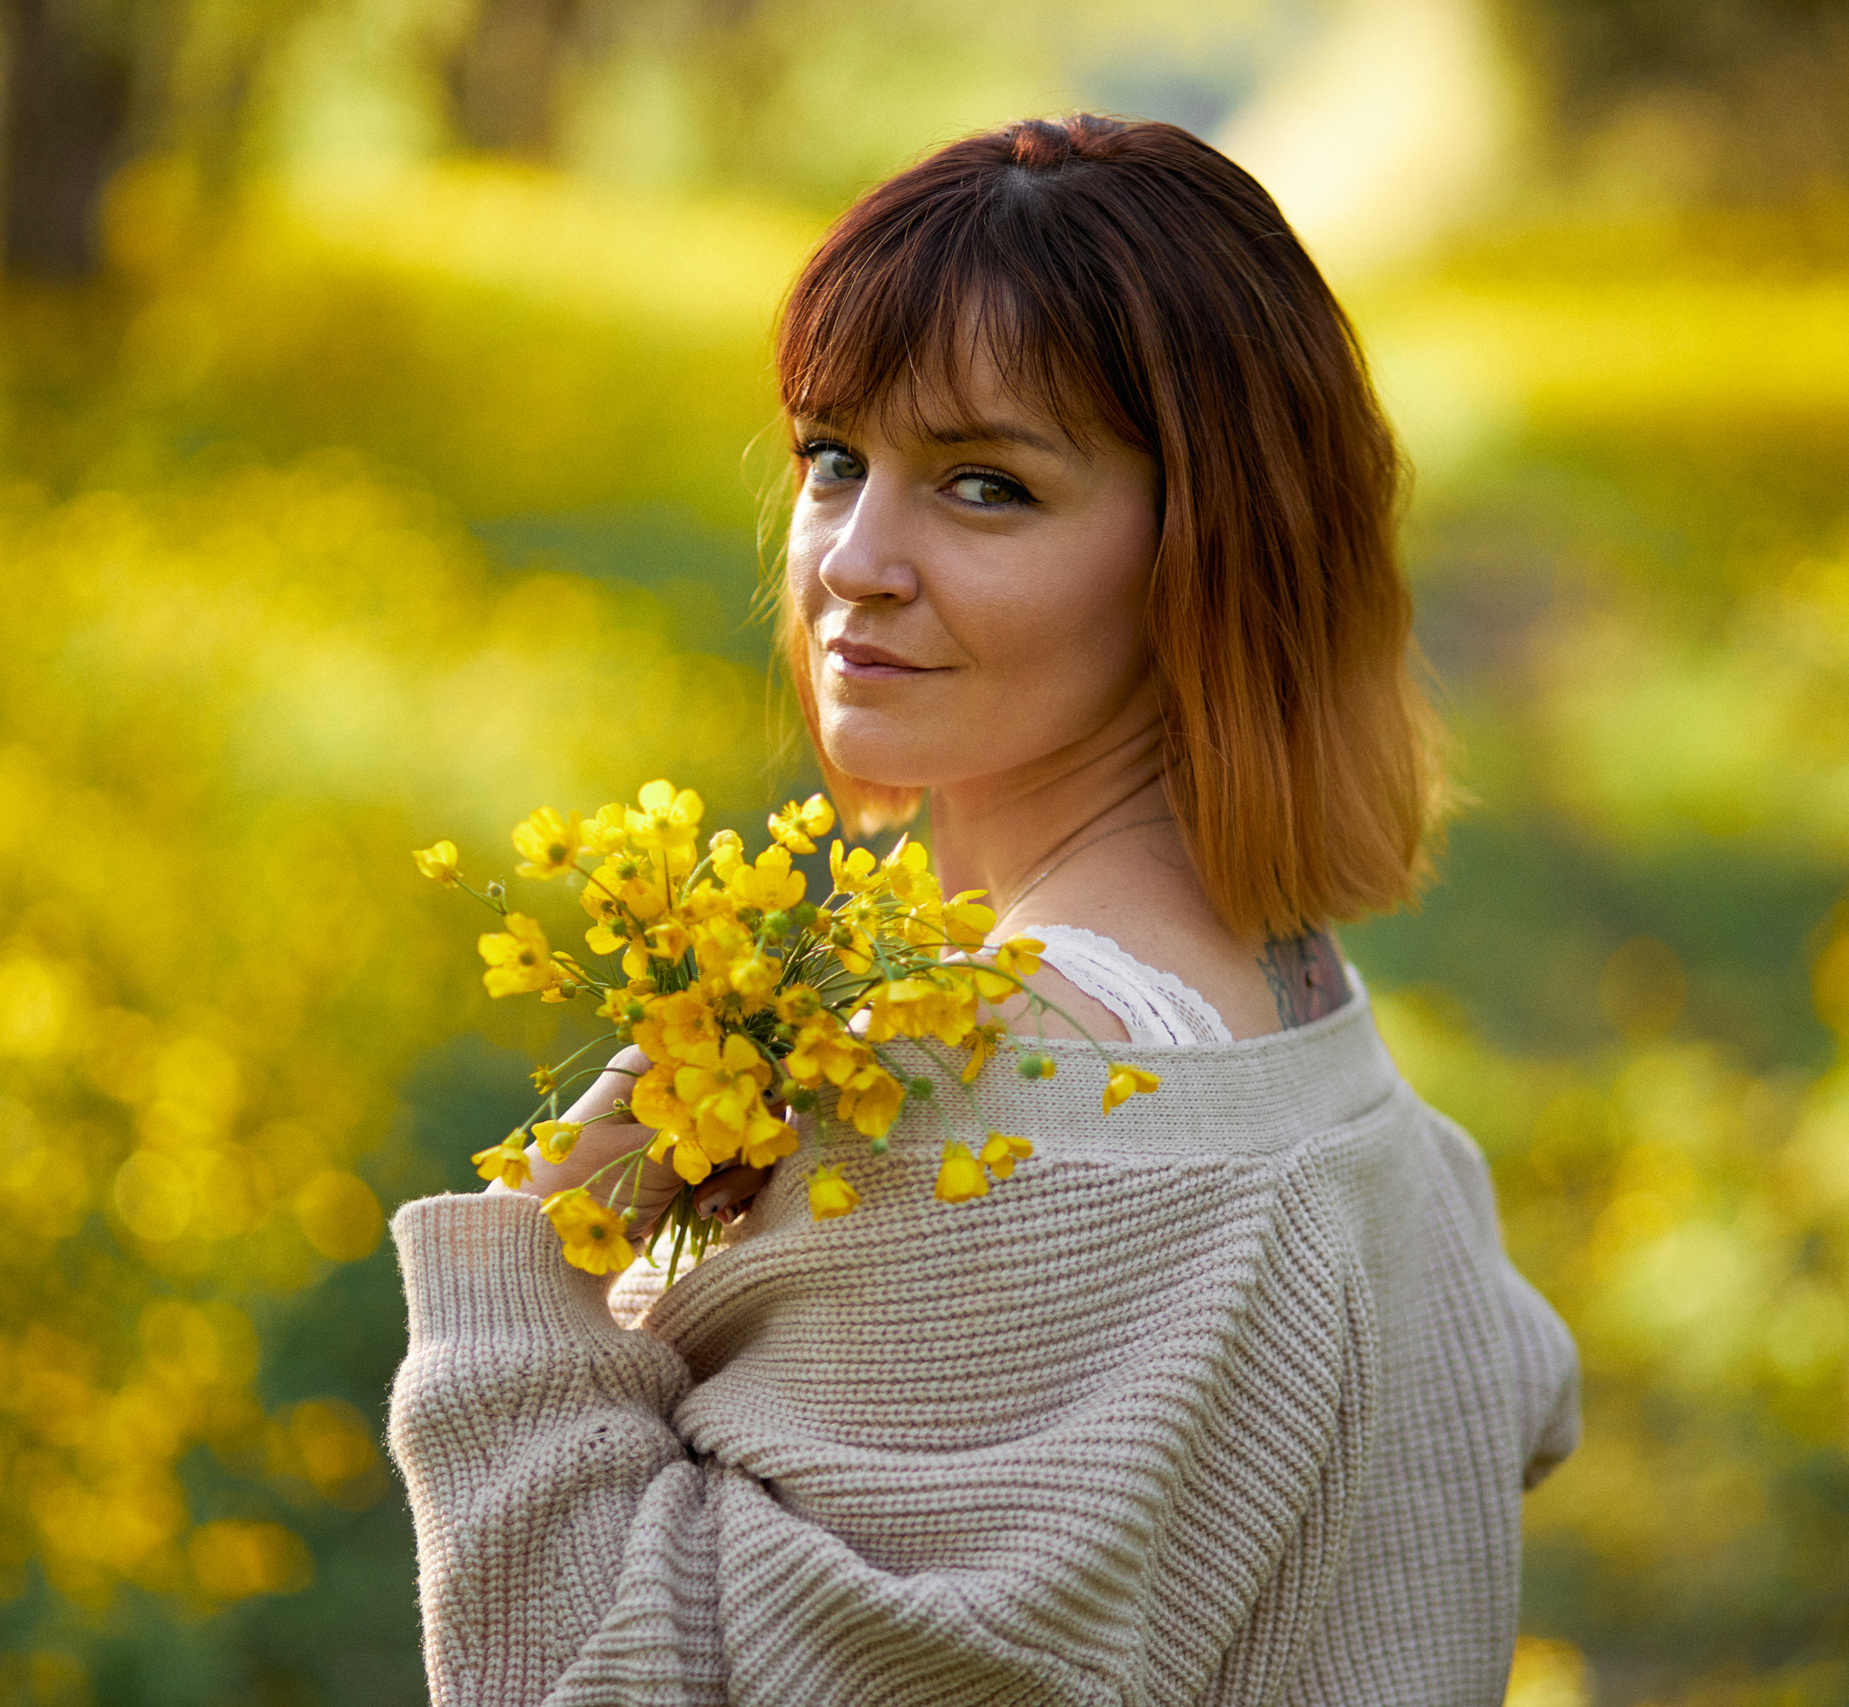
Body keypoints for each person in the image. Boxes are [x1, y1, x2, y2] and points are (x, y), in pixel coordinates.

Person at [387, 113, 1580, 1705]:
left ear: (1206, 554)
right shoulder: (1281, 993)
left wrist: (537, 1266)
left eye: (985, 486)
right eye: (833, 459)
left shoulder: (996, 1092)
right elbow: (1509, 1386)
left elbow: (634, 1679)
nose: (854, 563)